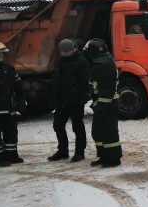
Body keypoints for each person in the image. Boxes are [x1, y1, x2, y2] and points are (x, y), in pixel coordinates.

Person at [48, 39, 90, 162]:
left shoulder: (80, 61)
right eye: (63, 52)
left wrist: (74, 93)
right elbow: (56, 80)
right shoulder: (60, 62)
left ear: (72, 50)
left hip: (76, 101)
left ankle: (79, 152)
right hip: (62, 100)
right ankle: (62, 151)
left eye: (67, 51)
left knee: (77, 127)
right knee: (58, 125)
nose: (65, 54)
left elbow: (84, 81)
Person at [83, 38, 122, 168]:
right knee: (98, 132)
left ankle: (113, 158)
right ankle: (103, 155)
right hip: (101, 104)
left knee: (108, 133)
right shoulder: (101, 62)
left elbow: (107, 91)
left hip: (107, 105)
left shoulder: (104, 65)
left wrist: (102, 106)